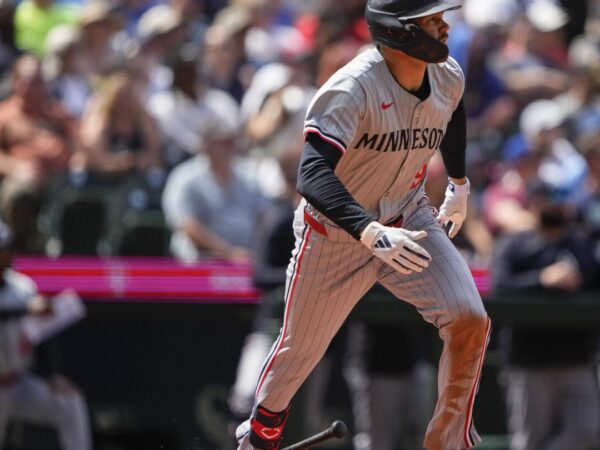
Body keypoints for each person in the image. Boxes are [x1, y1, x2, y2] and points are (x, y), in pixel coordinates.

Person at [235, 1, 491, 449]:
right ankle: (258, 437)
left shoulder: (447, 73)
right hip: (335, 234)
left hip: (408, 217)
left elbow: (452, 115)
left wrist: (459, 184)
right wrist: (370, 232)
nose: (445, 25)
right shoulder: (353, 86)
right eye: (432, 20)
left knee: (470, 318)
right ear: (401, 32)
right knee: (298, 354)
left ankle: (449, 443)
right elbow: (311, 175)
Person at [491, 177, 600, 450]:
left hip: (576, 357)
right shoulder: (515, 244)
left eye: (559, 200)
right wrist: (541, 279)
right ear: (534, 204)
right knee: (529, 441)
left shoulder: (581, 243)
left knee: (587, 432)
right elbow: (499, 286)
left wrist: (575, 281)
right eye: (547, 200)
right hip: (529, 359)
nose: (555, 206)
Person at [0, 220, 92, 450]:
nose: (8, 253)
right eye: (3, 249)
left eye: (9, 247)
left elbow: (40, 334)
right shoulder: (22, 300)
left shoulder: (21, 287)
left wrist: (52, 375)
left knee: (70, 403)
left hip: (17, 383)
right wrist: (24, 310)